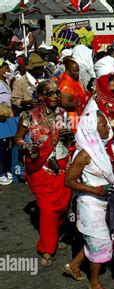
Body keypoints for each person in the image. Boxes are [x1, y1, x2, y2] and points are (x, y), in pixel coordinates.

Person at [14, 80, 74, 267]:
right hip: (41, 168)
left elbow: (72, 138)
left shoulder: (64, 114)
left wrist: (69, 136)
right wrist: (27, 146)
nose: (56, 96)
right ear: (41, 96)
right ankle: (47, 249)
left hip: (62, 167)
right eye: (51, 93)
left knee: (63, 207)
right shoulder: (29, 116)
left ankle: (56, 234)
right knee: (48, 210)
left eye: (57, 93)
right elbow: (18, 137)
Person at [64, 110, 114, 289]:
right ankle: (94, 282)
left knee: (93, 240)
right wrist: (96, 190)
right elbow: (68, 180)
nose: (107, 128)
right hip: (90, 205)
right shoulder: (85, 154)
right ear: (92, 129)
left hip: (104, 203)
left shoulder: (100, 148)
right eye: (103, 125)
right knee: (100, 242)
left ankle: (73, 265)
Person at [58, 59, 89, 126]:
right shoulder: (66, 83)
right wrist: (79, 103)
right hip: (72, 117)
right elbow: (65, 103)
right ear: (67, 71)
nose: (77, 73)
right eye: (75, 71)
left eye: (78, 71)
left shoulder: (73, 79)